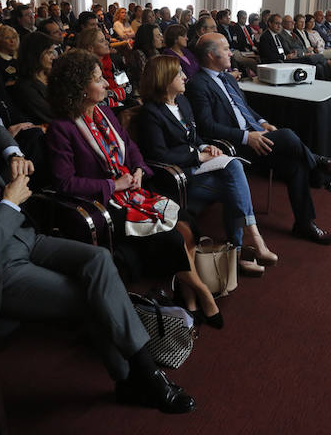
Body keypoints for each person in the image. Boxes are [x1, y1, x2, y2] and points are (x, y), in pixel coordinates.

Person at [0, 72, 196, 413]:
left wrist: (13, 153)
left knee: (98, 260)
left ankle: (137, 375)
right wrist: (10, 200)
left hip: (24, 236)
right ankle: (144, 377)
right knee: (91, 298)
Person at [45, 50, 222, 326]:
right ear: (79, 89)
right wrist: (112, 184)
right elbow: (64, 183)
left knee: (186, 222)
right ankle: (201, 291)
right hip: (104, 204)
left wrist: (139, 170)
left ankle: (188, 295)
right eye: (97, 79)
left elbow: (132, 149)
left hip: (132, 191)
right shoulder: (62, 129)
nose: (106, 83)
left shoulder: (104, 113)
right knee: (175, 238)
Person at [186, 33, 331, 245]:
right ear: (210, 55)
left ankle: (304, 223)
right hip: (233, 147)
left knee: (296, 165)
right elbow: (207, 126)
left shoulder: (227, 77)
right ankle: (318, 163)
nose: (230, 53)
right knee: (288, 135)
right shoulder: (198, 84)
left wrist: (262, 122)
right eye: (226, 49)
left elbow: (244, 107)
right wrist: (247, 137)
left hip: (255, 136)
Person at [137, 55, 278, 275]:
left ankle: (243, 247)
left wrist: (205, 148)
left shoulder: (182, 102)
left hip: (197, 168)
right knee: (235, 186)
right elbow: (158, 154)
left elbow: (196, 136)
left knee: (234, 169)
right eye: (179, 74)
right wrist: (197, 156)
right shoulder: (151, 113)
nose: (185, 77)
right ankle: (246, 245)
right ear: (165, 80)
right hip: (177, 177)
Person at [73, 26, 137, 109]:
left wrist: (109, 93)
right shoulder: (85, 69)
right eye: (101, 41)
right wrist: (117, 92)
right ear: (90, 48)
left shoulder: (114, 60)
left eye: (105, 39)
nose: (107, 42)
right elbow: (94, 102)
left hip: (124, 105)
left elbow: (128, 89)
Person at [13, 33, 58, 124]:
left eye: (53, 52)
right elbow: (51, 113)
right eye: (49, 53)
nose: (53, 57)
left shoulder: (54, 77)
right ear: (36, 54)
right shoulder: (25, 86)